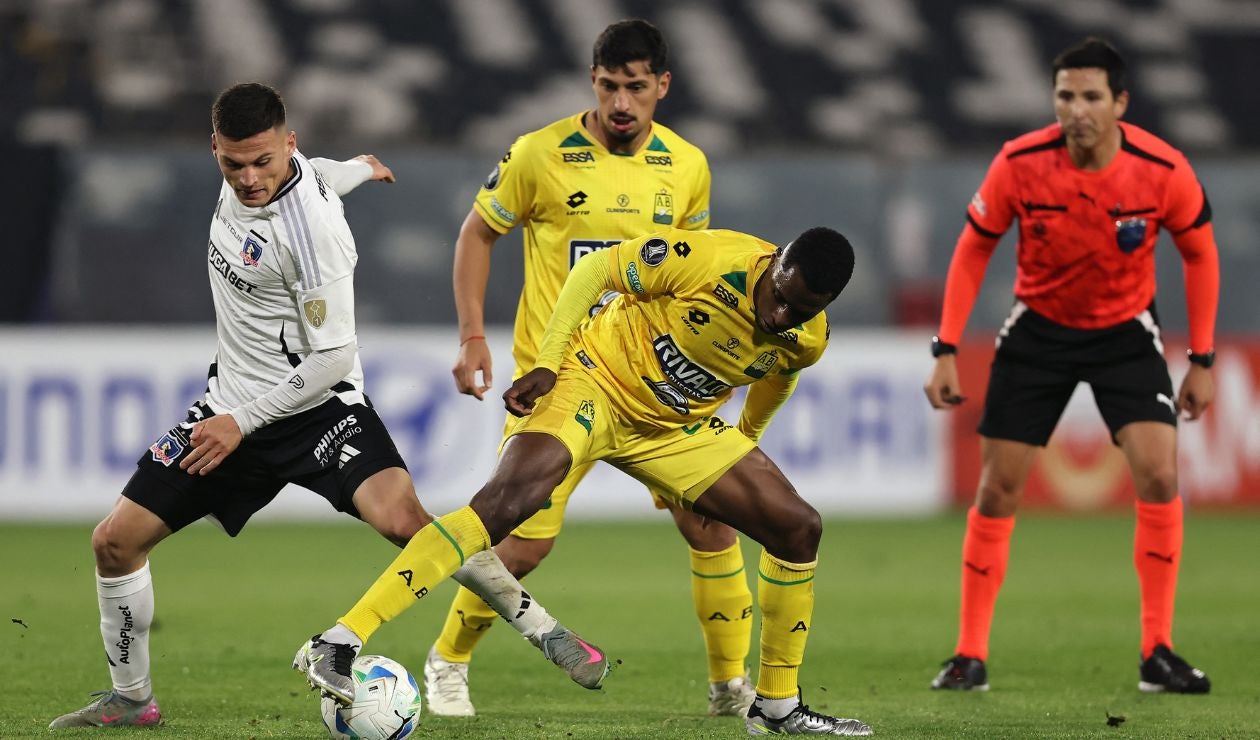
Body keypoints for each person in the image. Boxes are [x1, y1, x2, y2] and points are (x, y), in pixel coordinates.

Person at [49, 83, 610, 730]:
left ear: (288, 143)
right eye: (235, 164)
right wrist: (359, 170)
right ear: (215, 150)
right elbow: (317, 175)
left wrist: (242, 423)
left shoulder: (313, 237)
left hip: (318, 411)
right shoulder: (263, 176)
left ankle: (544, 629)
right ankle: (131, 697)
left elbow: (332, 359)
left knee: (408, 523)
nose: (251, 179)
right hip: (227, 408)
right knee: (114, 543)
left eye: (263, 162)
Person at [298, 225, 874, 736]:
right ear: (774, 265)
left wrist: (744, 441)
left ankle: (776, 706)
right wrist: (548, 360)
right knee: (508, 505)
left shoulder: (808, 338)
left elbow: (778, 374)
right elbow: (594, 269)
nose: (779, 317)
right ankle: (341, 640)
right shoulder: (707, 257)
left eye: (797, 312)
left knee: (799, 528)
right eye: (778, 298)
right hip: (592, 383)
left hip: (676, 428)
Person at [436, 18, 756, 718]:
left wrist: (706, 371)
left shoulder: (689, 166)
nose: (620, 102)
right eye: (609, 85)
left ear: (662, 87)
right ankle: (447, 661)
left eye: (635, 87)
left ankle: (731, 688)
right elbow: (477, 232)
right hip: (565, 383)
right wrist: (471, 335)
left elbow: (692, 277)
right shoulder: (539, 153)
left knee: (711, 523)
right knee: (520, 548)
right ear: (593, 81)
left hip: (652, 385)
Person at [923, 37, 1218, 694]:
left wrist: (1202, 358)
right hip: (1039, 332)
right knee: (998, 489)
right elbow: (973, 250)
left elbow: (1200, 253)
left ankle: (1157, 651)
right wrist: (945, 347)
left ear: (1120, 103)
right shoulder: (1020, 163)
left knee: (1162, 475)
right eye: (1064, 96)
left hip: (1124, 332)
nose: (1076, 110)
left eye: (1090, 97)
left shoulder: (1161, 168)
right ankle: (970, 654)